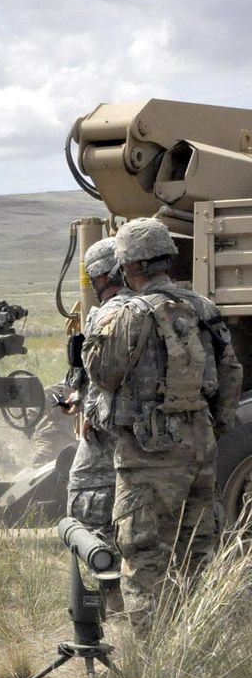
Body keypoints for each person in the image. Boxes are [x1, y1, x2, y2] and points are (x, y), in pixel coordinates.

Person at [83, 218, 242, 634]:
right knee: (196, 551)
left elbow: (103, 375)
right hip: (200, 449)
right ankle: (199, 641)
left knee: (145, 555)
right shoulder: (203, 307)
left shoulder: (125, 315)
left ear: (127, 265)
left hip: (147, 455)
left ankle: (155, 657)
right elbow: (231, 374)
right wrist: (212, 429)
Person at [66, 237, 131, 543]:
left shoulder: (108, 314)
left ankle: (102, 563)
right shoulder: (161, 307)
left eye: (93, 279)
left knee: (86, 496)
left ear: (104, 277)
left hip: (111, 427)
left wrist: (88, 411)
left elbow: (102, 375)